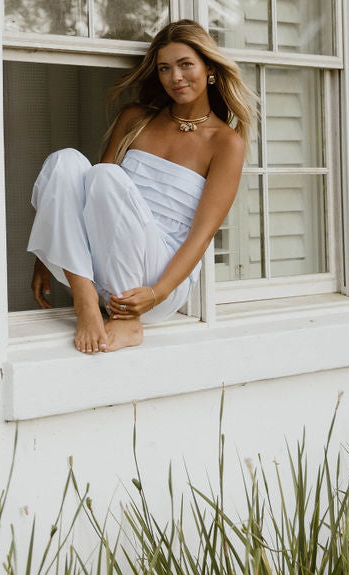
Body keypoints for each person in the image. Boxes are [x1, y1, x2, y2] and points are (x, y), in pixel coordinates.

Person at [28, 20, 256, 355]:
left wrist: (157, 293)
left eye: (185, 65)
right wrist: (47, 256)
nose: (175, 78)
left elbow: (201, 236)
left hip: (159, 283)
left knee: (106, 176)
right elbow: (91, 199)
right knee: (67, 162)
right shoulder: (136, 118)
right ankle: (86, 303)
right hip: (101, 267)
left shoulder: (225, 143)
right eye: (164, 68)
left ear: (209, 68)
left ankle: (127, 321)